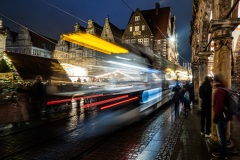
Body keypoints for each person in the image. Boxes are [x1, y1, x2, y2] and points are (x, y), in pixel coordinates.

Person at [212, 73, 232, 160]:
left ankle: (222, 155)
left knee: (221, 138)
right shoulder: (224, 89)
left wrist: (215, 116)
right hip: (225, 116)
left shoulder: (219, 91)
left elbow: (219, 107)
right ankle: (222, 153)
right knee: (223, 136)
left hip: (221, 118)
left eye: (213, 80)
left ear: (215, 81)